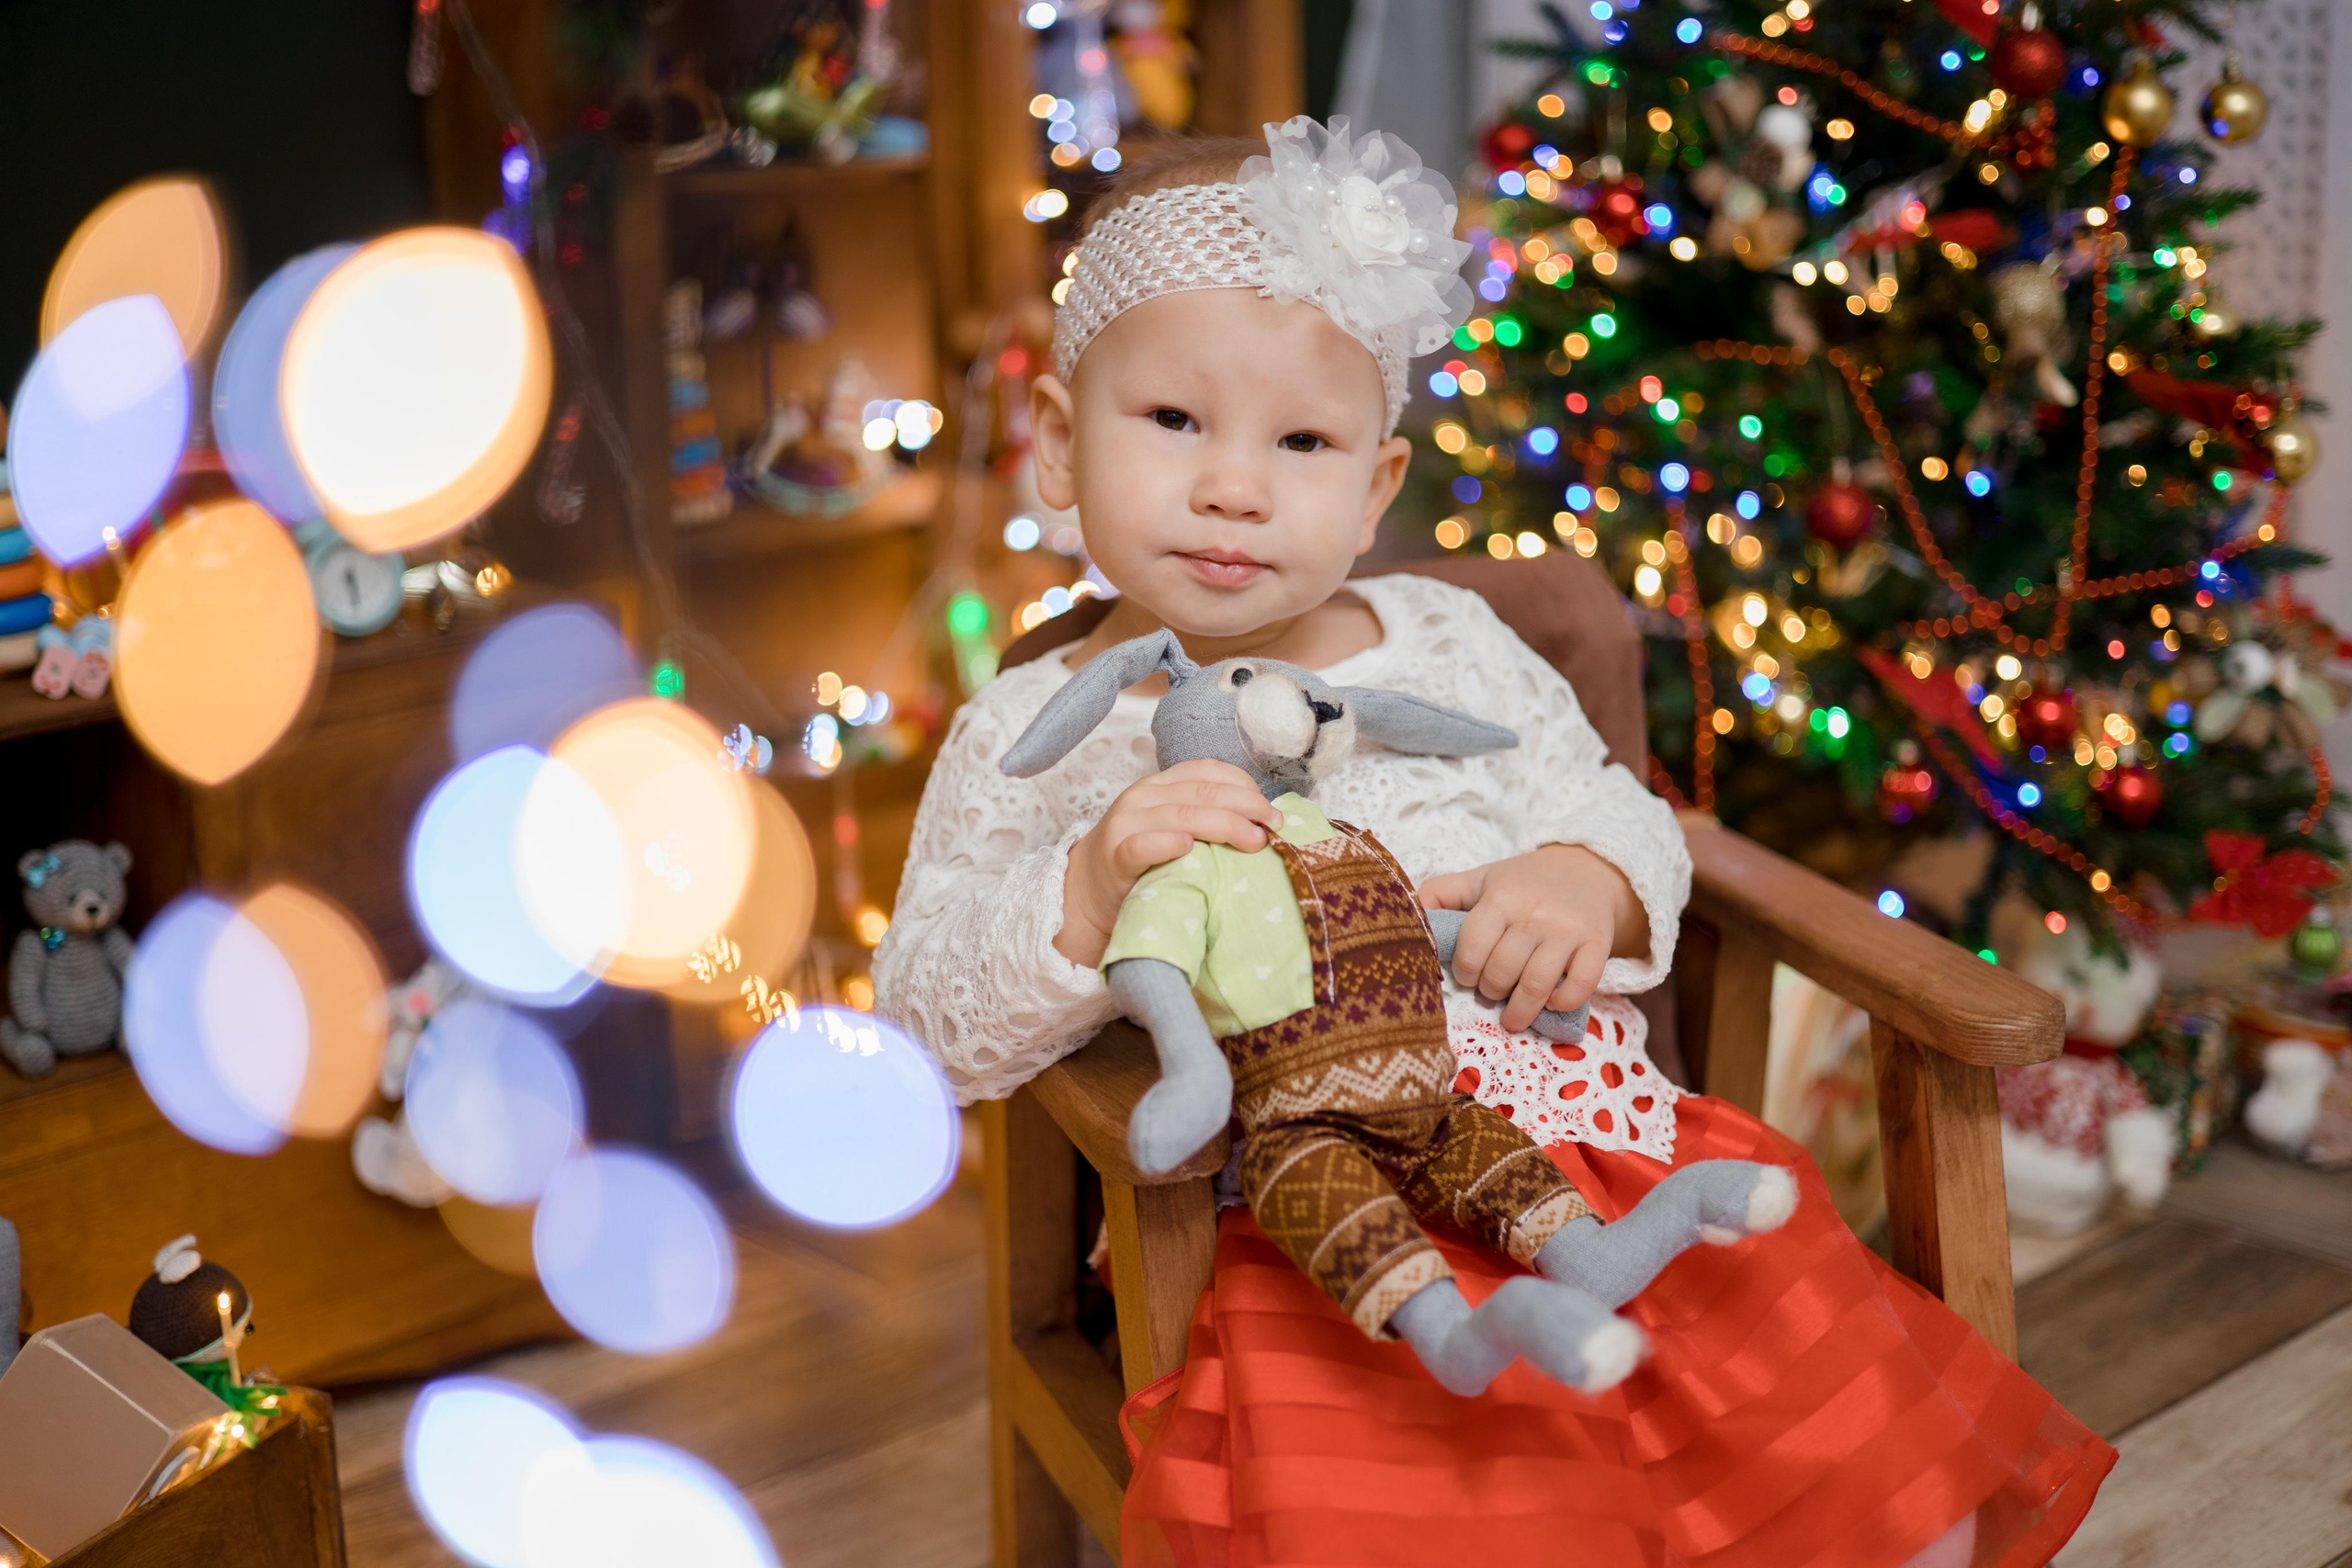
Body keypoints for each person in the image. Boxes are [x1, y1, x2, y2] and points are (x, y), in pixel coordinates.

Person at [876, 116, 2109, 1568]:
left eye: (1303, 441)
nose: (1234, 486)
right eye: (1173, 422)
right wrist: (1082, 896)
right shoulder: (1039, 725)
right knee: (1456, 1503)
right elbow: (923, 1020)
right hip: (1308, 1220)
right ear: (1056, 445)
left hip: (1596, 1150)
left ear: (1379, 483)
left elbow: (1619, 812)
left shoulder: (1453, 646)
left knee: (1858, 1468)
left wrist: (1585, 875)